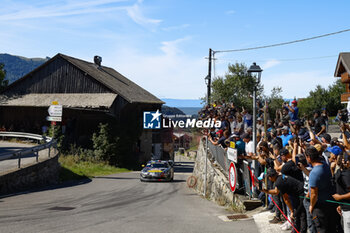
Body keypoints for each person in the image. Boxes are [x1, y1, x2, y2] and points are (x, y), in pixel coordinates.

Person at [306, 146, 342, 233]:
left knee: (321, 230)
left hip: (320, 207)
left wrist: (311, 205)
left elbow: (314, 194)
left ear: (309, 158)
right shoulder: (325, 166)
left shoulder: (314, 172)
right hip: (330, 204)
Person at [261, 168, 307, 233]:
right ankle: (296, 230)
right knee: (297, 214)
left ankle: (301, 231)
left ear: (271, 177)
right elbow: (276, 191)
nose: (269, 179)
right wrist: (266, 191)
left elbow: (286, 199)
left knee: (299, 213)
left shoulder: (279, 182)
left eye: (268, 177)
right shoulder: (279, 178)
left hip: (300, 194)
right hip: (295, 194)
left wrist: (291, 211)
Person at [332, 154, 350, 233]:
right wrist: (340, 204)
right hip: (345, 209)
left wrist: (340, 198)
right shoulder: (340, 172)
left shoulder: (346, 174)